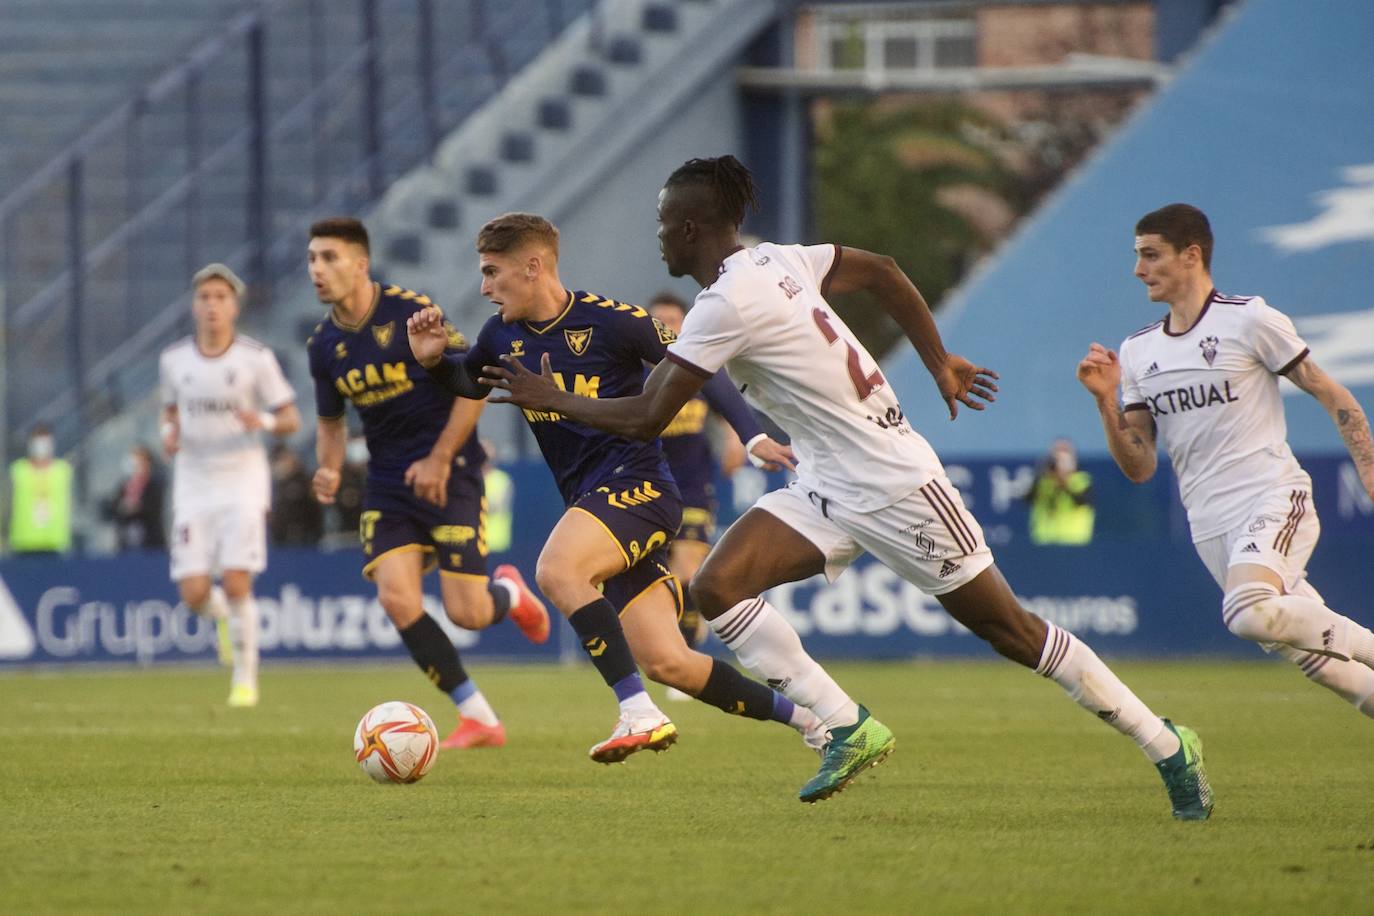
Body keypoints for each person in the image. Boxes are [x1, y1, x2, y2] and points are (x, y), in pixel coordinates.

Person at [475, 156, 1213, 818]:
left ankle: (1165, 743)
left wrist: (554, 395)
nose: (659, 237)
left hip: (896, 483)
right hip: (825, 478)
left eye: (665, 223)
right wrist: (937, 360)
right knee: (718, 587)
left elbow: (645, 416)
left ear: (692, 227)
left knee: (1010, 631)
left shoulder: (724, 303)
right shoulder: (780, 260)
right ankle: (846, 724)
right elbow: (885, 269)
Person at [407, 212, 825, 765]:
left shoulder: (614, 322)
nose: (483, 287)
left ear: (533, 267)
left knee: (557, 569)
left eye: (491, 272)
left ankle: (639, 712)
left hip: (641, 489)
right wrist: (436, 363)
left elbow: (702, 368)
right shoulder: (499, 335)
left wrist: (751, 437)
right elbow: (469, 381)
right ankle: (819, 724)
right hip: (592, 504)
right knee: (671, 663)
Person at [1078, 202, 1374, 719]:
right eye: (1138, 256)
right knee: (1318, 661)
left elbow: (1330, 393)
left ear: (1191, 255)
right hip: (1208, 524)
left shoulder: (1249, 318)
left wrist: (1368, 467)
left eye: (1151, 255)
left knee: (1246, 612)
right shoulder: (1139, 351)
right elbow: (1141, 465)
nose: (1138, 269)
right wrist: (1106, 400)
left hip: (1272, 494)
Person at [305, 216, 549, 750]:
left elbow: (473, 386)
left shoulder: (412, 312)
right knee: (397, 598)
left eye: (329, 258)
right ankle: (479, 716)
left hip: (451, 471)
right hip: (388, 484)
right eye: (312, 259)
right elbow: (331, 423)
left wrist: (440, 459)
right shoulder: (323, 345)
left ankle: (508, 593)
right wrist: (328, 467)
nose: (317, 270)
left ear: (360, 263)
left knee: (469, 612)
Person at [159, 263, 302, 706]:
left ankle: (245, 679)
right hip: (193, 480)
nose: (213, 305)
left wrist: (260, 419)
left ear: (234, 306)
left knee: (238, 581)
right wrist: (168, 432)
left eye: (221, 297)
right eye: (205, 297)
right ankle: (220, 616)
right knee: (194, 592)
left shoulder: (254, 359)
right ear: (194, 305)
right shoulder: (174, 360)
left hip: (242, 476)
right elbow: (170, 412)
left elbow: (290, 418)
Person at [646, 290, 752, 657]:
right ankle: (668, 650)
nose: (666, 328)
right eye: (658, 321)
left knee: (687, 573)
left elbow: (726, 408)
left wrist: (735, 440)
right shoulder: (639, 375)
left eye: (673, 322)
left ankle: (685, 653)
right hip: (648, 491)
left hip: (692, 488)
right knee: (657, 582)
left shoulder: (697, 370)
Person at [7, 423, 74, 555]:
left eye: (44, 442)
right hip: (24, 542)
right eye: (37, 442)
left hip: (55, 542)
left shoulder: (62, 470)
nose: (41, 447)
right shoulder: (18, 470)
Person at [1026, 438, 1095, 545]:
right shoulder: (1043, 480)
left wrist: (1064, 481)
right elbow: (1028, 498)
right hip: (1044, 541)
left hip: (1074, 541)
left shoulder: (1082, 480)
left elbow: (1081, 500)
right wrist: (1042, 472)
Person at [103, 443, 167, 551]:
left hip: (151, 546)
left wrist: (134, 508)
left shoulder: (154, 486)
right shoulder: (123, 487)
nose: (135, 466)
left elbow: (151, 509)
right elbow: (113, 510)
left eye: (139, 461)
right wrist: (124, 508)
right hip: (125, 545)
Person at [268, 445, 323, 546]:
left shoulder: (305, 481)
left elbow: (314, 510)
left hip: (304, 538)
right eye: (278, 459)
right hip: (279, 539)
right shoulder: (270, 484)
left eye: (284, 459)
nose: (281, 464)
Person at [479, 439, 515, 556]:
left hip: (496, 544)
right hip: (475, 544)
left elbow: (495, 507)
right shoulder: (469, 480)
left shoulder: (502, 480)